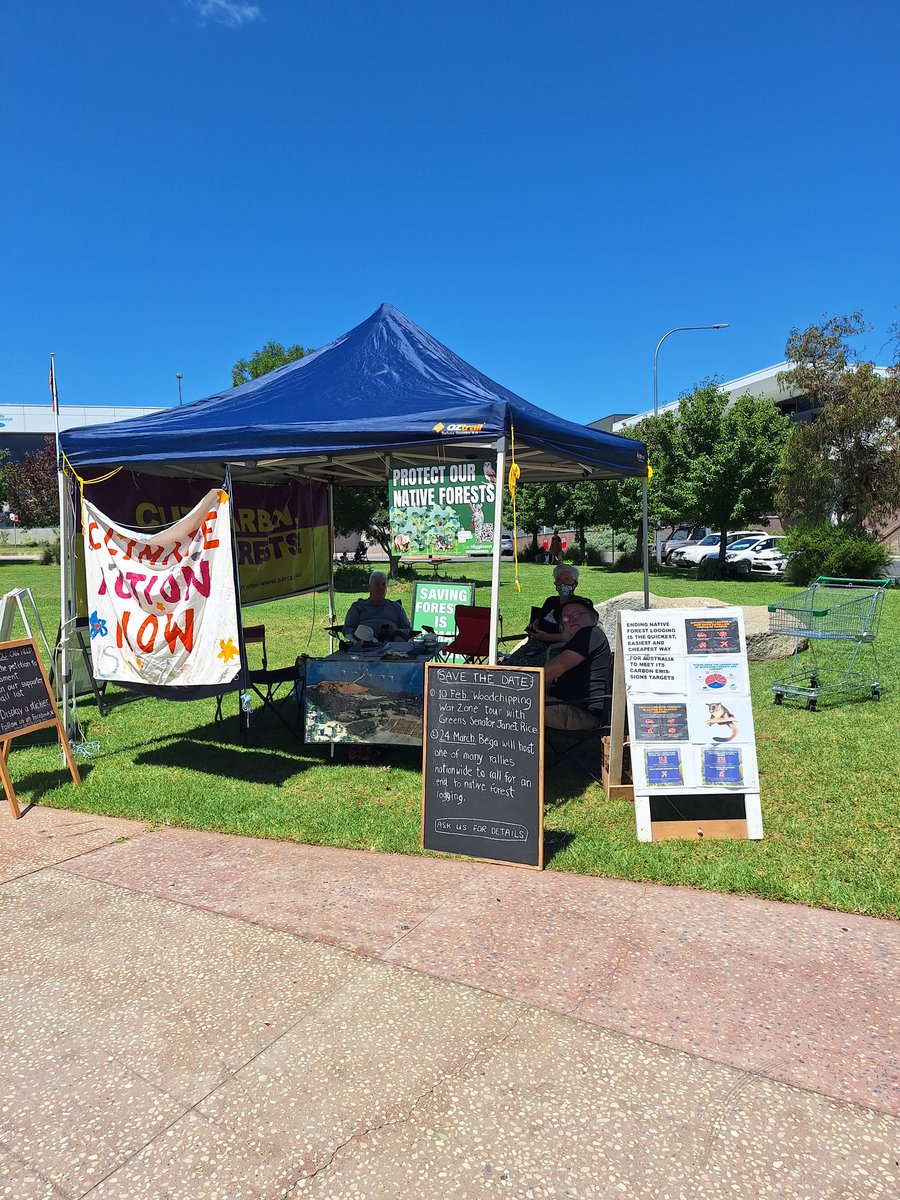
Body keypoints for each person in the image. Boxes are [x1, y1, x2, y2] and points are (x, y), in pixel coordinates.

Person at [543, 596, 612, 732]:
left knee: (517, 703)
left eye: (577, 614)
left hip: (582, 713)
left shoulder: (591, 633)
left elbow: (553, 670)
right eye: (565, 618)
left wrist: (521, 685)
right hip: (568, 706)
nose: (572, 619)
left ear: (593, 618)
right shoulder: (582, 639)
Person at [501, 565, 588, 665]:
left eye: (567, 580)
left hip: (557, 649)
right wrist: (533, 628)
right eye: (559, 580)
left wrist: (547, 637)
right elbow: (536, 622)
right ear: (555, 583)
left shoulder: (579, 605)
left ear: (575, 584)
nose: (562, 584)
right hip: (535, 644)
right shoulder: (550, 601)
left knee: (528, 669)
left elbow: (571, 636)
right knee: (509, 665)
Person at [342, 570, 411, 643]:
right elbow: (347, 628)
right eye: (377, 584)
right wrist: (361, 635)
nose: (380, 588)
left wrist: (396, 631)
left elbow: (407, 628)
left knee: (399, 637)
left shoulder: (395, 607)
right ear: (369, 588)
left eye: (383, 584)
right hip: (364, 645)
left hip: (391, 645)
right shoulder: (358, 607)